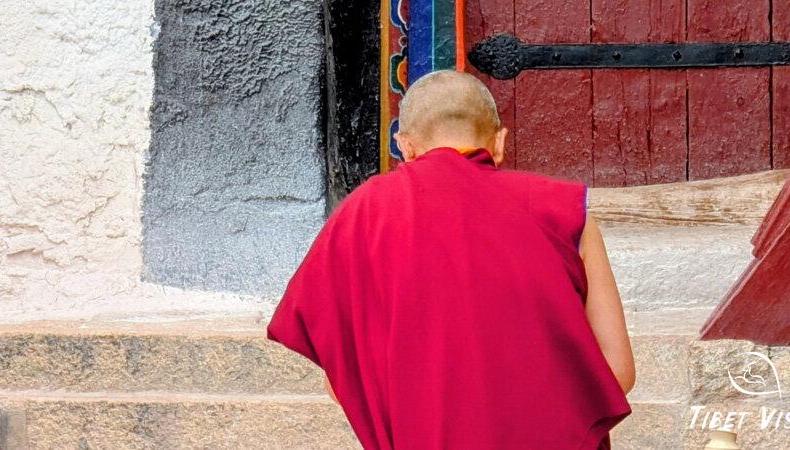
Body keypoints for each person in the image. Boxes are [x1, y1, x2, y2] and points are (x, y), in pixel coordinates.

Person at [267, 70, 635, 449]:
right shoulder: (566, 212)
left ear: (405, 147)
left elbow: (343, 382)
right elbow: (617, 370)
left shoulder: (360, 215)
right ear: (499, 142)